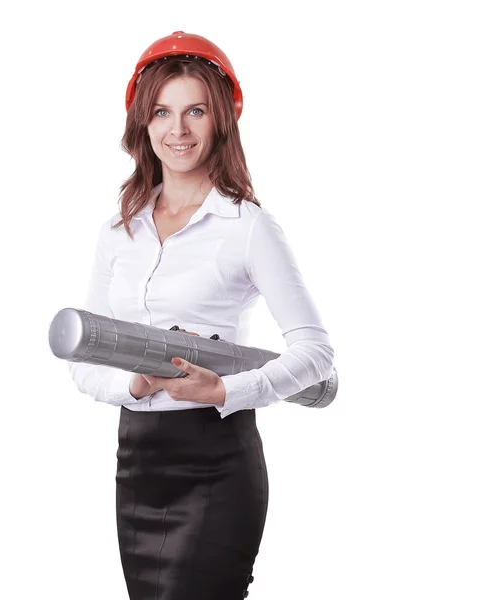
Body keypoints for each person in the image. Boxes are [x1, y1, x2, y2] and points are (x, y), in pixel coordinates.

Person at [68, 31, 335, 600]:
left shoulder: (248, 227)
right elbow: (84, 364)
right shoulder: (118, 233)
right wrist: (134, 381)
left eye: (196, 111)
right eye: (162, 112)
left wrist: (225, 390)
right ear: (143, 121)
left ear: (222, 119)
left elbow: (316, 354)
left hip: (217, 462)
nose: (178, 130)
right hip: (138, 461)